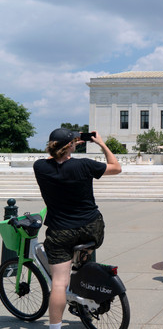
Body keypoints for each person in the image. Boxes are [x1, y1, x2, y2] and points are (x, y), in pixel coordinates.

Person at [33, 128, 121, 329]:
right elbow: (116, 167)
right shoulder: (84, 165)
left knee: (59, 283)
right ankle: (82, 267)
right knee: (80, 254)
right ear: (71, 145)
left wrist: (66, 146)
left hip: (60, 231)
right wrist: (100, 143)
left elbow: (52, 158)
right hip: (91, 228)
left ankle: (55, 326)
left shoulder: (39, 167)